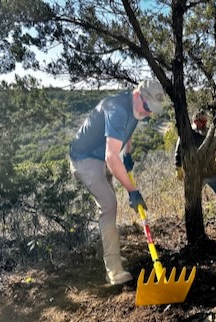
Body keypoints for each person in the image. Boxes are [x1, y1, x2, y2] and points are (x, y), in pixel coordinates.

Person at [69, 80, 165, 285]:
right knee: (109, 205)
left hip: (103, 156)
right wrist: (133, 191)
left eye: (152, 110)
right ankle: (113, 270)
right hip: (84, 158)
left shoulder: (136, 108)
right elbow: (112, 157)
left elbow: (126, 132)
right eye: (147, 107)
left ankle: (106, 253)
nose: (148, 113)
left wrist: (127, 154)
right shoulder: (117, 109)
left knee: (109, 206)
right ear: (139, 95)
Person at [174, 109, 216, 216]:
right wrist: (178, 167)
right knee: (192, 198)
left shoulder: (210, 132)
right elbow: (178, 151)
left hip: (212, 171)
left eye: (205, 121)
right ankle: (190, 217)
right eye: (202, 121)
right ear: (195, 121)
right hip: (196, 175)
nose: (204, 123)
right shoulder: (187, 134)